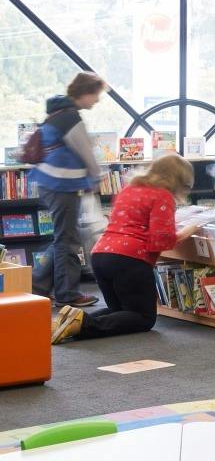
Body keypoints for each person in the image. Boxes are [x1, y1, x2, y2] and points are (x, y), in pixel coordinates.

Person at [52, 153, 201, 343]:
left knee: (120, 311)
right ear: (177, 180)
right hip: (130, 260)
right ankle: (82, 325)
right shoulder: (162, 196)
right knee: (143, 318)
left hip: (101, 254)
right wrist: (188, 231)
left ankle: (68, 320)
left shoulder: (129, 189)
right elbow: (160, 240)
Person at [27, 72, 109, 308]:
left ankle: (38, 286)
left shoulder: (58, 112)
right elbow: (86, 153)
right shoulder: (71, 117)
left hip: (52, 183)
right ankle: (68, 293)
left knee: (65, 238)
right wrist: (97, 177)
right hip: (61, 185)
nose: (97, 100)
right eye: (96, 95)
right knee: (68, 241)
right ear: (85, 93)